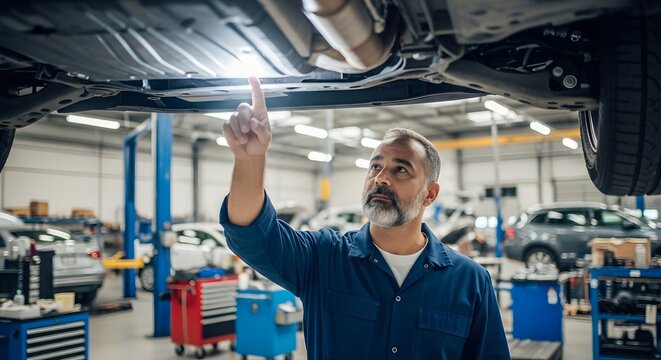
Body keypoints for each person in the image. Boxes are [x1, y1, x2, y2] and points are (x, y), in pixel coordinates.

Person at [219, 77, 510, 359]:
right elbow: (253, 235)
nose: (381, 178)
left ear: (429, 194)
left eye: (400, 170)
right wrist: (249, 160)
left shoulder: (470, 281)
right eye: (375, 167)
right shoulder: (323, 258)